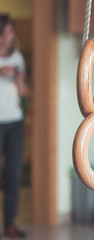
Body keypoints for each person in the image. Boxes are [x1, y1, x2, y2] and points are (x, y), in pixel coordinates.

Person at [0, 15, 28, 238]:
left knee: (13, 175)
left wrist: (18, 78)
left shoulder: (17, 56)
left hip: (14, 123)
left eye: (11, 32)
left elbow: (23, 92)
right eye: (6, 32)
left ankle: (9, 223)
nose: (9, 36)